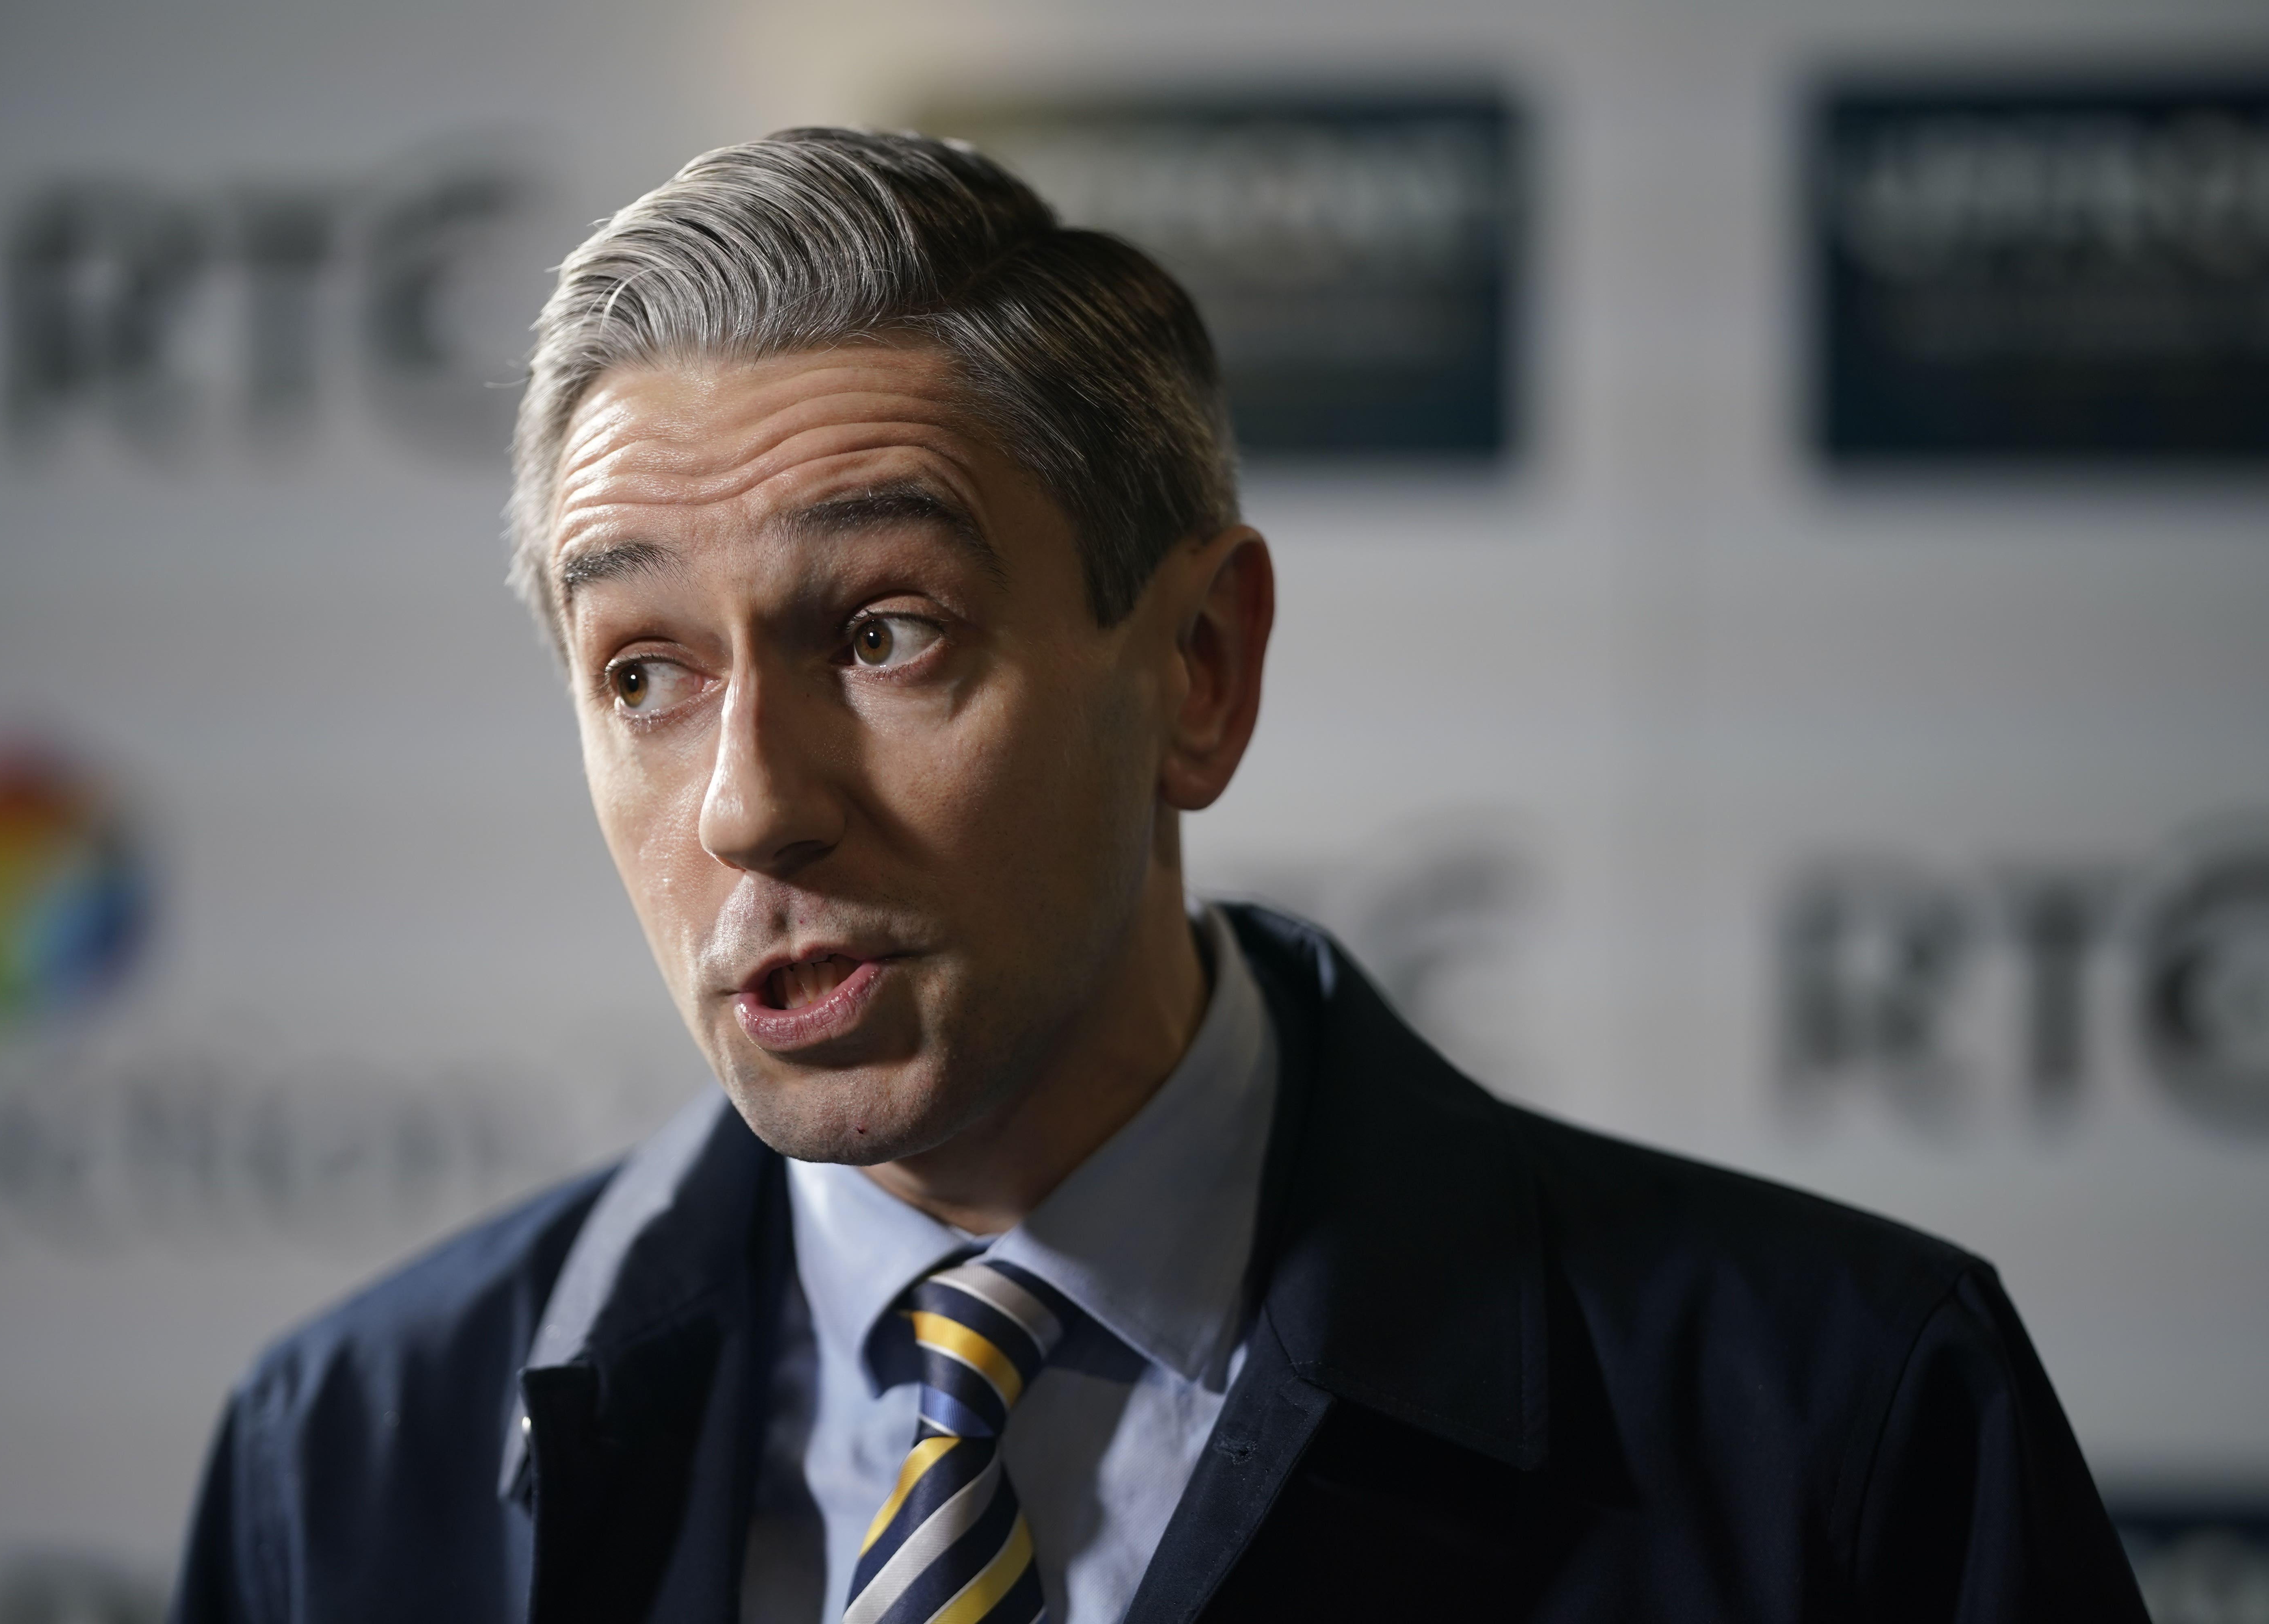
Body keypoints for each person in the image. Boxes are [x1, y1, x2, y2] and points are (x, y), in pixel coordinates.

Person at [170, 128, 2146, 1624]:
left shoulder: (1846, 1426)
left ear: (1196, 671)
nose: (749, 807)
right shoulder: (346, 1461)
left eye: (884, 635)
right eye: (646, 674)